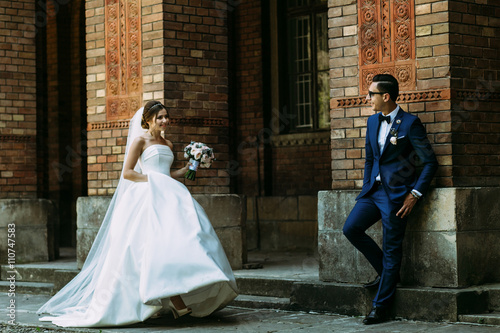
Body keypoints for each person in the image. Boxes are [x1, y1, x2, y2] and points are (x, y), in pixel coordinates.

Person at [37, 101, 238, 327]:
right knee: (145, 247)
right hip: (146, 196)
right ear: (148, 120)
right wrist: (154, 180)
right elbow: (128, 173)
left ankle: (174, 295)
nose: (165, 121)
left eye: (166, 116)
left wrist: (191, 166)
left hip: (169, 195)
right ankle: (166, 300)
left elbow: (168, 173)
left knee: (179, 240)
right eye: (160, 117)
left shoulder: (168, 143)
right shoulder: (140, 141)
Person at [342, 74, 438, 325]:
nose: (367, 98)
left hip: (397, 196)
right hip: (372, 193)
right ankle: (387, 273)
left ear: (386, 96)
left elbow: (429, 163)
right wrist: (366, 186)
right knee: (351, 228)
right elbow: (370, 159)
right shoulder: (372, 122)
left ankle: (380, 307)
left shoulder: (410, 124)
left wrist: (414, 194)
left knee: (392, 247)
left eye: (371, 93)